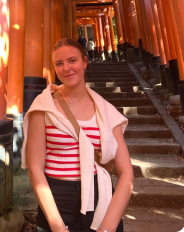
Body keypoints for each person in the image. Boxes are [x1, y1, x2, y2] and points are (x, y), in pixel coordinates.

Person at [22, 38, 134, 232]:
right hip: (56, 197)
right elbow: (35, 169)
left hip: (99, 195)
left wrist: (107, 226)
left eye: (72, 60)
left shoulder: (106, 111)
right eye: (59, 63)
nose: (66, 68)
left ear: (84, 62)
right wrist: (57, 226)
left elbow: (126, 174)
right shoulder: (43, 107)